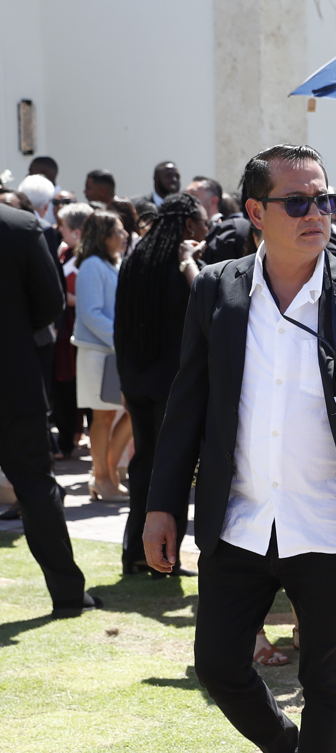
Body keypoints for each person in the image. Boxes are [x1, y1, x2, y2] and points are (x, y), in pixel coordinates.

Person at [142, 144, 336, 753]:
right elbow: (187, 404)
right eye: (296, 202)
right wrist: (161, 502)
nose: (314, 214)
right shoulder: (218, 288)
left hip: (329, 527)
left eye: (323, 200)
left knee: (326, 684)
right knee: (216, 664)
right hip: (238, 521)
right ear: (254, 213)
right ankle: (287, 748)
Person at [0, 199, 100, 617]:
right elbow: (50, 303)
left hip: (15, 380)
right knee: (37, 488)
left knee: (38, 489)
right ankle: (68, 593)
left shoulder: (22, 225)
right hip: (13, 380)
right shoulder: (21, 226)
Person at [113, 193, 208, 577]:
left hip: (138, 380)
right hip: (171, 386)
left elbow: (121, 325)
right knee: (172, 469)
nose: (207, 227)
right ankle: (164, 558)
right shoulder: (181, 266)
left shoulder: (138, 258)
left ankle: (136, 551)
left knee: (144, 465)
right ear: (188, 225)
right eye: (201, 221)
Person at [72, 210, 131, 502]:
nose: (125, 235)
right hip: (97, 353)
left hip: (111, 352)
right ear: (103, 236)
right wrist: (124, 341)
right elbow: (91, 314)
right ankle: (103, 478)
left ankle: (105, 475)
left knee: (126, 412)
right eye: (118, 231)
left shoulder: (112, 263)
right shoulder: (93, 265)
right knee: (103, 417)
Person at [51, 202, 94, 459]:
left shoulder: (90, 258)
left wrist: (65, 298)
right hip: (65, 333)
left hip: (83, 333)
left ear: (76, 231)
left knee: (85, 390)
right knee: (65, 390)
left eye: (63, 226)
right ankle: (68, 440)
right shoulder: (64, 252)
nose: (59, 230)